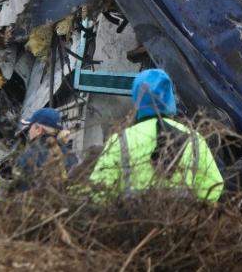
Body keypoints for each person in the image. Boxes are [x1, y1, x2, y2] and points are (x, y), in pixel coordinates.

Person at [89, 69, 224, 201]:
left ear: (137, 99)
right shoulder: (194, 140)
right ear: (169, 97)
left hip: (131, 222)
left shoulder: (120, 140)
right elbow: (213, 187)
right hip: (181, 221)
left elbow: (98, 193)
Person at [13, 108, 78, 191]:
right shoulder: (71, 156)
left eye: (30, 126)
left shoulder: (26, 158)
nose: (29, 131)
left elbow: (22, 197)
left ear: (38, 129)